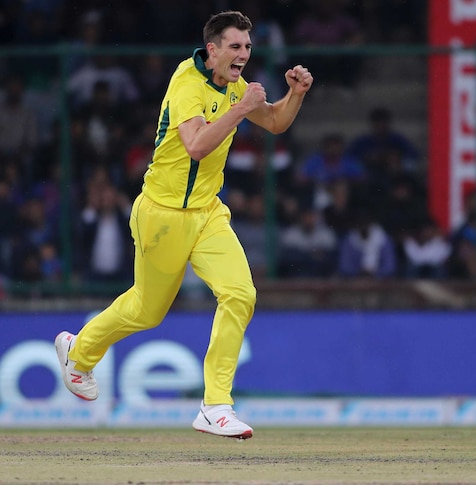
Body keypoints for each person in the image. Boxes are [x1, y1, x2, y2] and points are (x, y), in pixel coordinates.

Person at [53, 10, 313, 440]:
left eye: (247, 47)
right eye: (234, 46)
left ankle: (216, 405)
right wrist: (243, 107)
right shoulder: (186, 83)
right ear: (211, 50)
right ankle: (78, 352)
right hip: (162, 213)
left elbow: (274, 121)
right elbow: (195, 146)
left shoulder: (235, 88)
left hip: (208, 212)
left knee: (240, 293)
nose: (243, 55)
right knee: (146, 309)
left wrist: (295, 94)